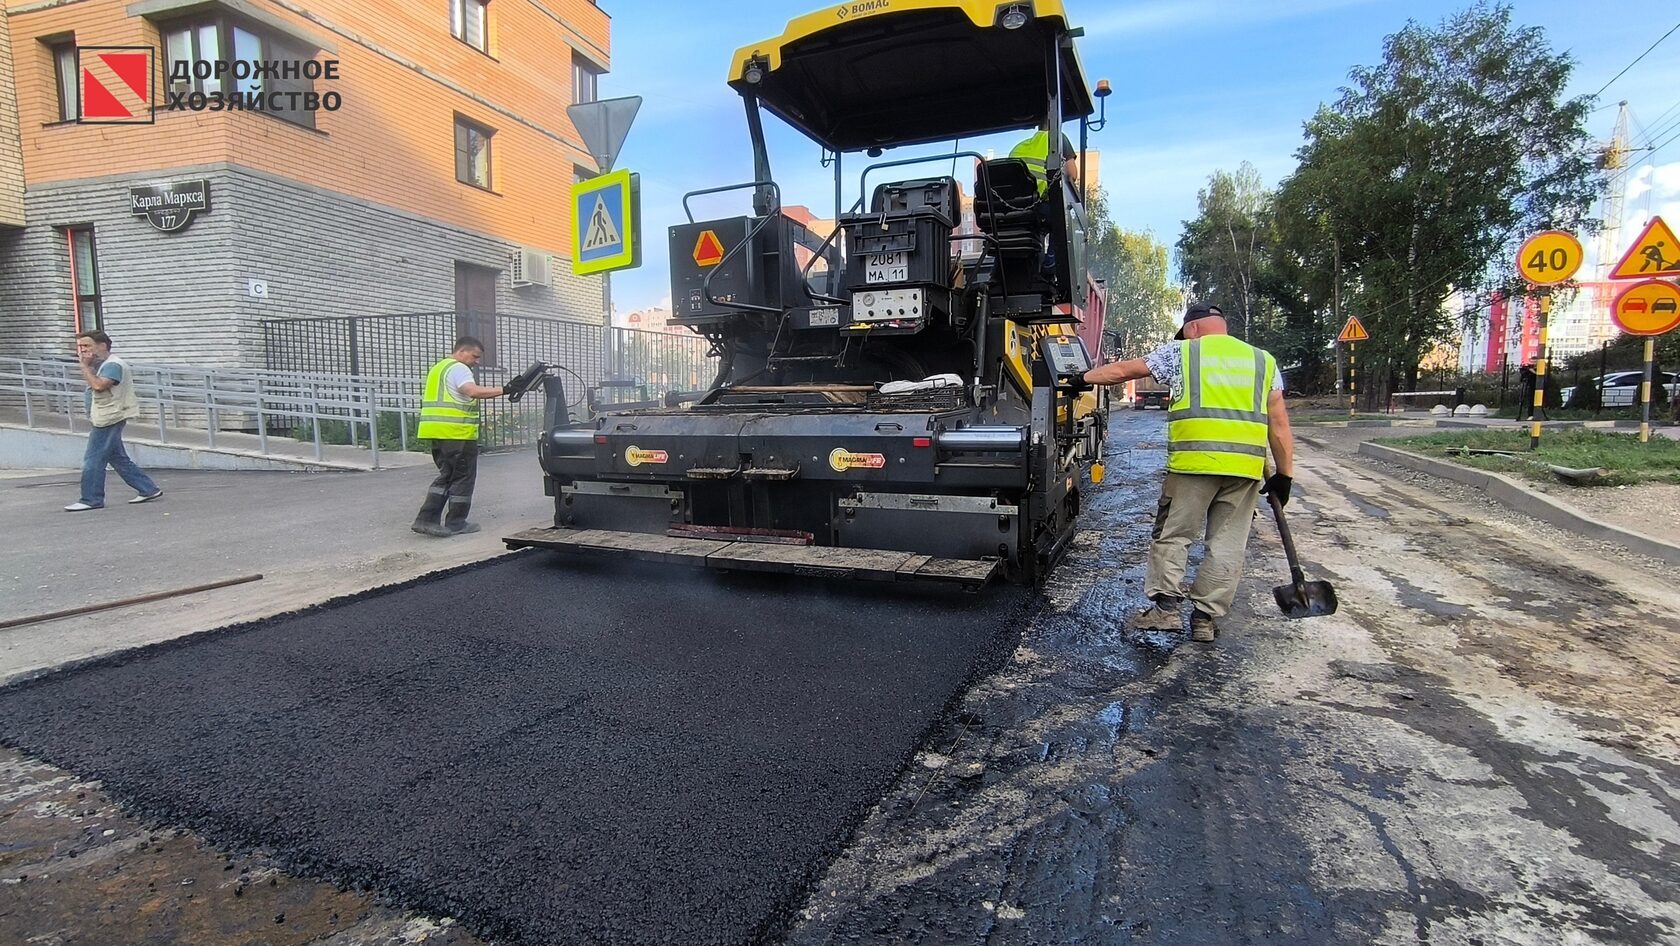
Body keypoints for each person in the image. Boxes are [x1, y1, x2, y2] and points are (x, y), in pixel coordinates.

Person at [1063, 302, 1294, 643]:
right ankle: (1204, 620)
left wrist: (1080, 379)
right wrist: (1285, 475)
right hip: (1244, 470)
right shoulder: (1263, 361)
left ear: (1193, 327)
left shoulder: (1183, 353)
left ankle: (1165, 610)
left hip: (1193, 466)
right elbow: (1279, 423)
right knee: (1227, 545)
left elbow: (1124, 370)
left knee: (1173, 535)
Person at [412, 336, 507, 537]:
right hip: (457, 434)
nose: (477, 361)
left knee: (447, 475)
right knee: (463, 477)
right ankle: (455, 522)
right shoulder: (459, 368)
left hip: (438, 432)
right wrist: (504, 389)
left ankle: (426, 519)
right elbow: (471, 391)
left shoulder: (439, 367)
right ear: (461, 351)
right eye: (475, 356)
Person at [64, 330, 163, 512]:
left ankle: (91, 499)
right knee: (117, 457)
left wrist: (84, 367)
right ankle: (147, 488)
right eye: (81, 347)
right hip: (106, 415)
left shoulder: (112, 365)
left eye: (87, 345)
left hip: (109, 417)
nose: (83, 350)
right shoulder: (104, 364)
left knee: (94, 459)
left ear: (102, 345)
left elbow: (99, 386)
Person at [1009, 128, 1081, 196]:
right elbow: (1071, 175)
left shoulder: (1016, 149)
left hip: (1016, 200)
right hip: (1045, 200)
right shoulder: (1057, 137)